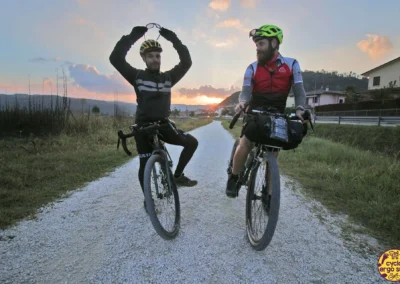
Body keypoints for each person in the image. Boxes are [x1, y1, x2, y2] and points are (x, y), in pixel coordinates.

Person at [109, 24, 199, 210]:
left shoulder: (168, 77)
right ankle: (147, 200)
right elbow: (115, 58)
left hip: (164, 125)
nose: (155, 59)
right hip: (143, 128)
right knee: (145, 162)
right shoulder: (137, 76)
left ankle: (178, 176)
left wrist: (172, 37)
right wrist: (134, 35)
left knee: (192, 143)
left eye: (157, 56)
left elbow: (187, 62)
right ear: (143, 58)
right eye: (150, 56)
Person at [226, 24, 307, 198]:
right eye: (256, 45)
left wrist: (300, 109)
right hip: (255, 112)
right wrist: (242, 103)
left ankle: (268, 194)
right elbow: (246, 90)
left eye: (261, 44)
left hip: (277, 113)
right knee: (246, 144)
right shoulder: (252, 67)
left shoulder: (292, 64)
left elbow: (299, 91)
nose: (258, 48)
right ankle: (233, 177)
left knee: (273, 154)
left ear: (274, 43)